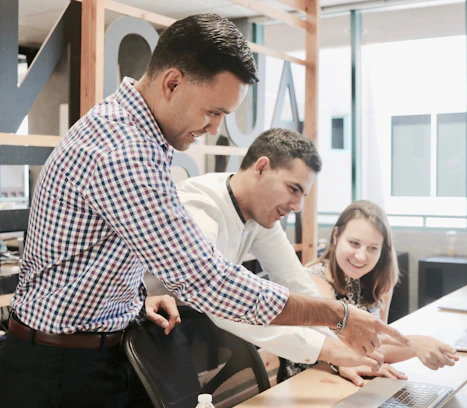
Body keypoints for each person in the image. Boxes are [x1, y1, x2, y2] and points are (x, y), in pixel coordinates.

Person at [0, 14, 409, 407]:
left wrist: (133, 299)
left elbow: (94, 253)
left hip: (103, 345)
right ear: (172, 82)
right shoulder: (123, 152)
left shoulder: (138, 133)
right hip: (58, 369)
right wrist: (337, 316)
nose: (214, 128)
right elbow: (207, 280)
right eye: (213, 112)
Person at [146, 127, 384, 372]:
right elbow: (221, 297)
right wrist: (328, 349)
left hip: (185, 329)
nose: (298, 206)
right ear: (261, 167)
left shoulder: (259, 214)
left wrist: (339, 352)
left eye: (303, 195)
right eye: (293, 189)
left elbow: (294, 279)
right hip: (140, 330)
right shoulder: (199, 206)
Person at [282, 200, 460, 386]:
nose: (361, 256)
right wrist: (414, 343)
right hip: (309, 382)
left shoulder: (381, 281)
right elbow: (339, 348)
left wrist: (418, 346)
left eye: (372, 248)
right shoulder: (314, 279)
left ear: (382, 250)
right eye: (354, 243)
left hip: (355, 380)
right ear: (336, 236)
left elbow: (377, 348)